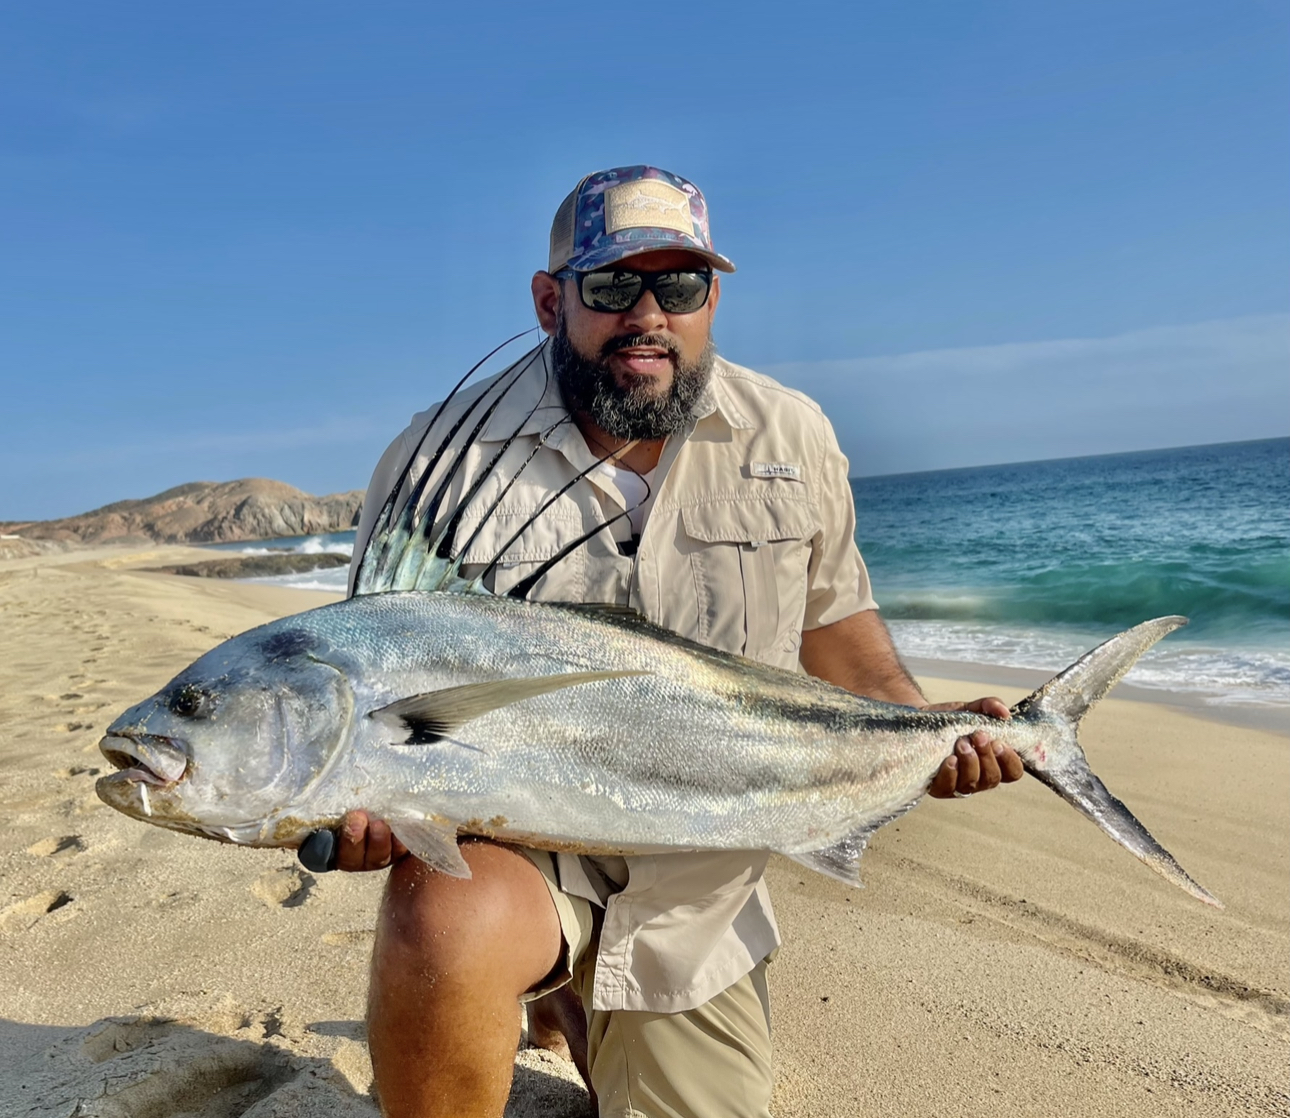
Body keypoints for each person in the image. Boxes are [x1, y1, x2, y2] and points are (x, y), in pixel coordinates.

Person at [314, 165, 1023, 1118]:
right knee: (440, 920)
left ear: (712, 298)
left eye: (678, 285)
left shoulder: (792, 434)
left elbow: (839, 633)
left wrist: (926, 729)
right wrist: (346, 801)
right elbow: (375, 660)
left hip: (700, 882)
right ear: (548, 301)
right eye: (611, 287)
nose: (647, 313)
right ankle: (536, 972)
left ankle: (574, 1002)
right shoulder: (438, 461)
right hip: (520, 849)